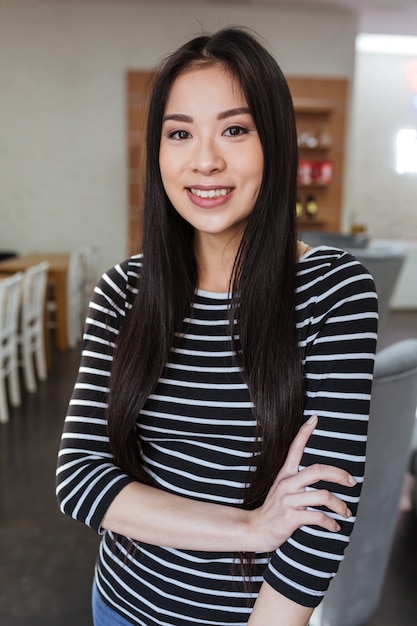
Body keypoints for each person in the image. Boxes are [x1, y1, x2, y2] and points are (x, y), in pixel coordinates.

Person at [56, 27, 378, 626]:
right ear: (158, 152)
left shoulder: (335, 291)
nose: (205, 159)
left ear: (275, 144)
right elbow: (80, 478)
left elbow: (321, 521)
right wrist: (252, 529)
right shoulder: (124, 290)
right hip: (119, 604)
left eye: (235, 129)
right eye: (180, 133)